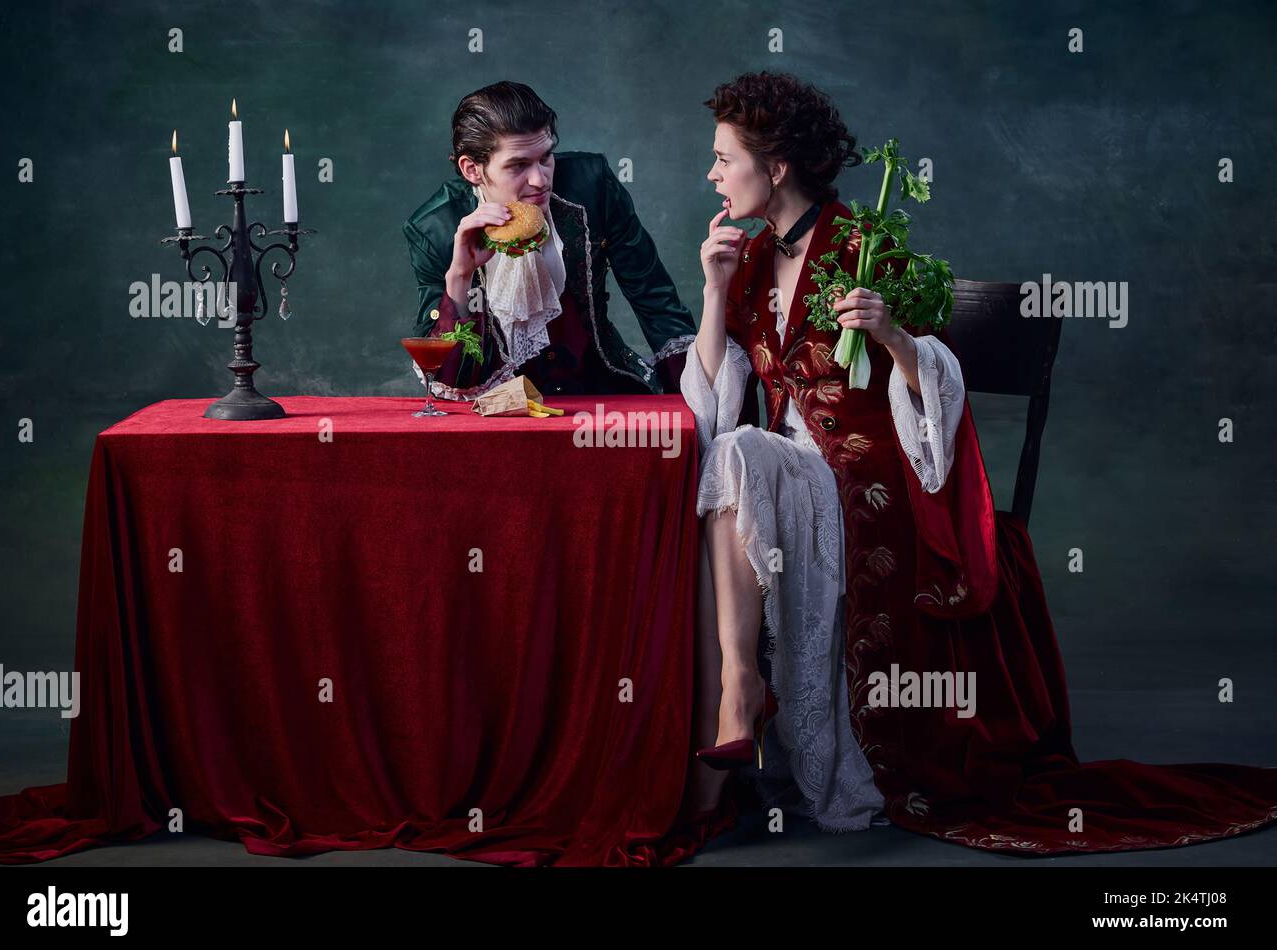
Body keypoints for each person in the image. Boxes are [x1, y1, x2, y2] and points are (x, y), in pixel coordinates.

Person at [681, 70, 1277, 852]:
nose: (712, 174)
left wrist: (892, 333)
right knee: (729, 454)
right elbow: (711, 405)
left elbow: (937, 383)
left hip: (870, 485)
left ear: (778, 166)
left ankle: (738, 707)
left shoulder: (868, 247)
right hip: (784, 481)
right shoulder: (749, 260)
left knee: (737, 456)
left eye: (724, 158)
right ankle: (735, 698)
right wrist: (715, 291)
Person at [403, 80, 697, 400]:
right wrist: (459, 277)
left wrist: (696, 402)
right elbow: (447, 379)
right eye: (518, 165)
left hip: (599, 393)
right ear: (472, 169)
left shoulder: (592, 185)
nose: (540, 180)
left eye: (545, 157)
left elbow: (653, 297)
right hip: (498, 410)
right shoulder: (435, 229)